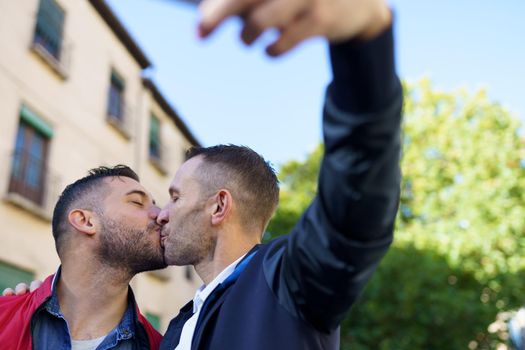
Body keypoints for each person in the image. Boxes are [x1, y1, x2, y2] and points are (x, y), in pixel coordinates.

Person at [156, 0, 403, 348]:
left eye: (176, 196)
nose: (160, 214)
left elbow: (355, 203)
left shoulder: (289, 280)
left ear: (219, 206)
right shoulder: (179, 327)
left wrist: (365, 40)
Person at [0, 166, 164, 350]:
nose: (162, 215)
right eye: (137, 202)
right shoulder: (4, 317)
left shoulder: (162, 346)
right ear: (85, 221)